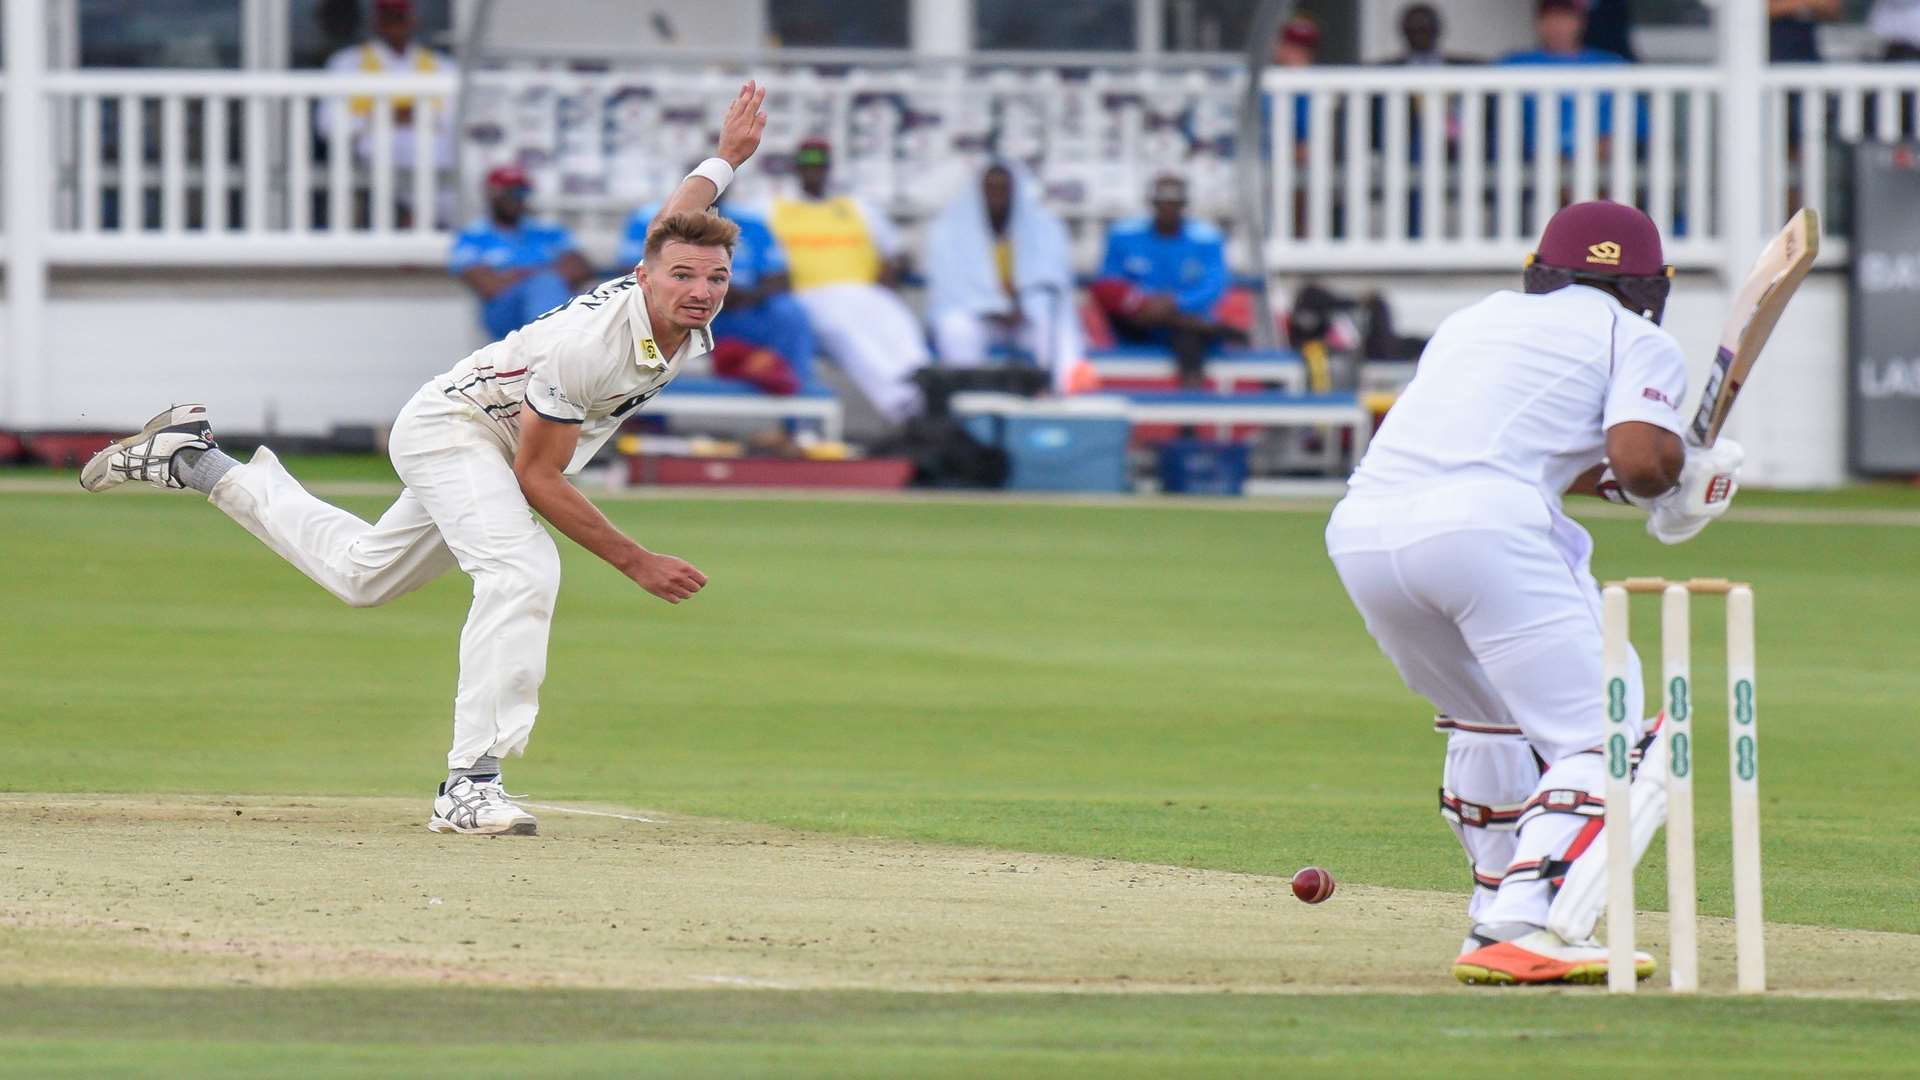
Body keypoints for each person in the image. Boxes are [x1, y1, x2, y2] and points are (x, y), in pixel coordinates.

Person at [77, 83, 772, 838]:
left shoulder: (675, 287)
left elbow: (681, 218)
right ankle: (470, 783)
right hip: (454, 430)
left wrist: (725, 158)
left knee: (362, 577)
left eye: (716, 278)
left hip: (493, 443)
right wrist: (635, 560)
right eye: (684, 276)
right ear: (645, 276)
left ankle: (195, 463)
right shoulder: (590, 348)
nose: (702, 291)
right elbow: (537, 479)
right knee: (521, 570)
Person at [1323, 201, 1745, 986]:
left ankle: (1492, 914)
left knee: (1492, 719)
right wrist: (1678, 479)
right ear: (1655, 287)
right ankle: (1531, 922)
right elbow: (1641, 459)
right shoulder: (1638, 336)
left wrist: (1652, 484)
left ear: (1537, 272)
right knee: (1609, 731)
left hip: (1365, 531)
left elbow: (1554, 449)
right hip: (1485, 532)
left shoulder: (1475, 321)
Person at [768, 138, 930, 424]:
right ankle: (901, 408)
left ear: (829, 168)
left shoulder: (857, 208)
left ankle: (931, 394)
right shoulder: (774, 210)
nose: (813, 172)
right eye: (807, 165)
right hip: (812, 295)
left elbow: (898, 251)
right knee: (851, 336)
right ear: (796, 168)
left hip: (865, 291)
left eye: (819, 165)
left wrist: (891, 267)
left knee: (900, 329)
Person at [619, 195, 816, 396]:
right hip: (676, 313)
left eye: (717, 184)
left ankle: (794, 407)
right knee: (638, 306)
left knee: (789, 312)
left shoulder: (750, 221)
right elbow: (631, 271)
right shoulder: (650, 219)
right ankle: (645, 412)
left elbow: (780, 276)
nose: (710, 191)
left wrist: (747, 295)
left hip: (739, 312)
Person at [925, 161, 1091, 395]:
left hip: (1026, 316)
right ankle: (968, 405)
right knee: (955, 328)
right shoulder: (948, 230)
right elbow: (948, 288)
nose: (997, 195)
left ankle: (1066, 400)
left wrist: (1025, 306)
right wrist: (990, 307)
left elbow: (1053, 283)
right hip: (979, 317)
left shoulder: (1045, 228)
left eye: (1004, 188)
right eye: (990, 188)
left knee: (1058, 328)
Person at [1090, 175, 1238, 387]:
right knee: (1189, 328)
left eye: (1174, 202)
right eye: (1162, 201)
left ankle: (1191, 406)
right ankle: (1211, 333)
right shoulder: (1123, 235)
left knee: (1188, 336)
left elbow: (1213, 286)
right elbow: (1109, 284)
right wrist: (1145, 304)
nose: (1168, 208)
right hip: (1137, 322)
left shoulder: (1206, 238)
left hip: (1185, 325)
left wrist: (1174, 303)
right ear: (1152, 203)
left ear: (1184, 204)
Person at [449, 166, 596, 342]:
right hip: (502, 316)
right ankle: (553, 343)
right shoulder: (473, 236)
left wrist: (515, 275)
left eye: (521, 193)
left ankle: (551, 342)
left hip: (546, 304)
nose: (516, 199)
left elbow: (581, 268)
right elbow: (488, 286)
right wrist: (542, 273)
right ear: (491, 194)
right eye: (509, 193)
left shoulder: (547, 230)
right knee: (545, 284)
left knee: (548, 286)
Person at [319, 0, 455, 172]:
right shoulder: (347, 63)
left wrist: (414, 114)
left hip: (435, 163)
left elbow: (456, 120)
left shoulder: (442, 66)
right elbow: (327, 125)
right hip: (372, 164)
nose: (394, 24)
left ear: (413, 20)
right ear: (375, 22)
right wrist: (384, 115)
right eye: (388, 17)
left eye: (400, 17)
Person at [1498, 0, 1634, 163]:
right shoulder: (1516, 63)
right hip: (1537, 162)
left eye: (1565, 18)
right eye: (1549, 18)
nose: (1557, 26)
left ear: (1581, 22)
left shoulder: (1611, 65)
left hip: (1600, 163)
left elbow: (1634, 126)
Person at [1381, 3, 1476, 65]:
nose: (1419, 36)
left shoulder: (1467, 67)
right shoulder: (1383, 70)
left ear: (1437, 30)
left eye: (1424, 29)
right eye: (1413, 30)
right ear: (1404, 31)